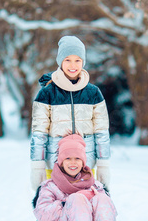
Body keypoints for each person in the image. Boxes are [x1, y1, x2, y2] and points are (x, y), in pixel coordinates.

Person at [30, 35, 111, 191]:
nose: (73, 65)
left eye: (77, 60)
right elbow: (39, 133)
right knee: (55, 207)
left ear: (83, 62)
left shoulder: (93, 93)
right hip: (55, 162)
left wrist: (103, 163)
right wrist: (37, 165)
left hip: (85, 163)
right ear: (60, 61)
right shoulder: (47, 93)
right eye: (67, 59)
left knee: (83, 207)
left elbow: (101, 131)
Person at [32, 134, 118, 221]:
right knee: (76, 198)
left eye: (77, 158)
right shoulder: (50, 186)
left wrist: (91, 200)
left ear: (83, 161)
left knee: (102, 198)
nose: (73, 163)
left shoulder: (93, 185)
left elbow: (109, 209)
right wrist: (65, 203)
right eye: (68, 159)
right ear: (61, 161)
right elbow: (42, 215)